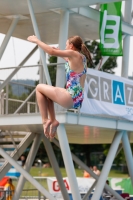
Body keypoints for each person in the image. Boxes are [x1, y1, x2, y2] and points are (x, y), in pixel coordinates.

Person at [27, 35, 93, 139]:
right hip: (77, 99)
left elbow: (51, 52)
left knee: (39, 88)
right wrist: (60, 53)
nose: (65, 47)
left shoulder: (73, 53)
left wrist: (37, 41)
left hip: (69, 96)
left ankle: (45, 120)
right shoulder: (82, 58)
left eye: (66, 45)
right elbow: (69, 60)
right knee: (47, 93)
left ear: (71, 46)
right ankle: (53, 121)